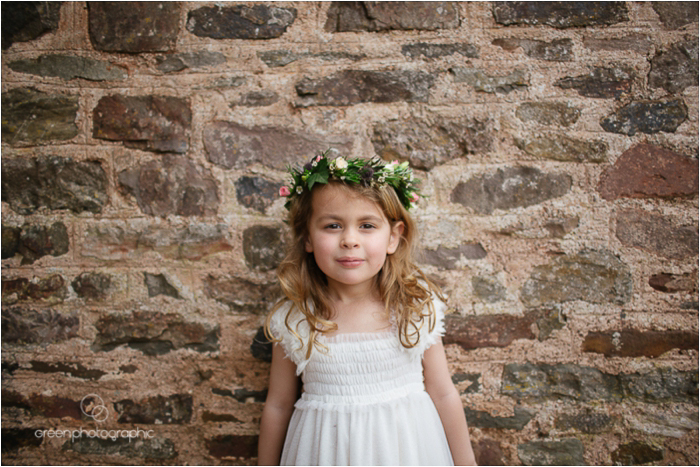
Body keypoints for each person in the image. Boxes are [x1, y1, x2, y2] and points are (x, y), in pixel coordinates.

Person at [258, 151, 476, 466]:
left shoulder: (413, 307)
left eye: (367, 225)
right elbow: (278, 405)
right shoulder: (295, 319)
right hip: (326, 454)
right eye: (333, 225)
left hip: (405, 451)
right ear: (307, 237)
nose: (350, 240)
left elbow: (443, 393)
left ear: (393, 237)